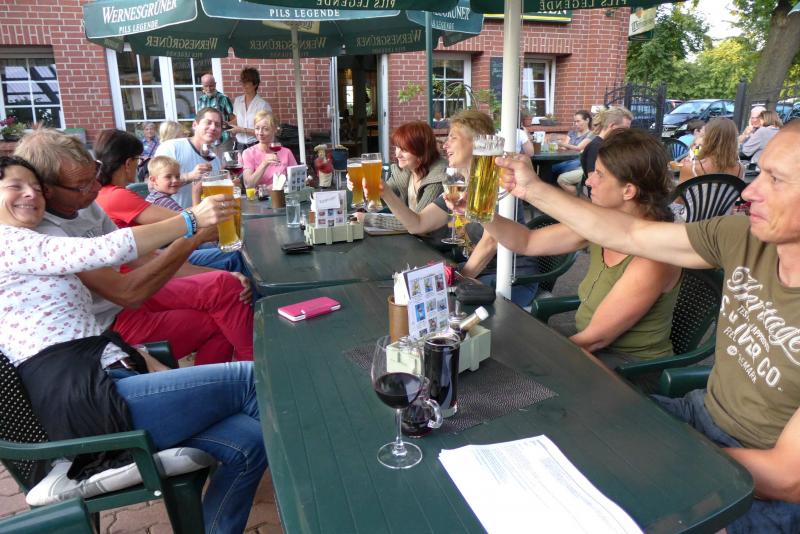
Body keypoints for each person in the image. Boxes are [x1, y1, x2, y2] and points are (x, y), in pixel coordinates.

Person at [495, 121, 800, 533]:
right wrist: (531, 188)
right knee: (565, 441)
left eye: (775, 179)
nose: (748, 191)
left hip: (759, 480)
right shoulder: (743, 237)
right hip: (700, 414)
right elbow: (631, 233)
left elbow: (786, 478)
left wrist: (662, 447)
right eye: (758, 172)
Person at [0, 155, 265, 534]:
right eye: (15, 186)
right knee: (255, 381)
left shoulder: (32, 241)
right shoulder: (8, 242)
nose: (30, 194)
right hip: (86, 401)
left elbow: (75, 327)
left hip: (101, 378)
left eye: (36, 187)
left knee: (249, 442)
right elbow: (105, 250)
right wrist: (190, 220)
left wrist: (134, 354)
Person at [15, 128, 253, 365]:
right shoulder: (46, 236)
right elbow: (128, 293)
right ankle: (245, 376)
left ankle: (251, 369)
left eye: (94, 174)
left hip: (132, 296)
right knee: (217, 323)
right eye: (82, 185)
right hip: (111, 324)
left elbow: (142, 258)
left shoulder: (86, 206)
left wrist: (219, 273)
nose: (96, 187)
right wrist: (193, 232)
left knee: (227, 285)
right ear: (44, 189)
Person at [482, 129, 681, 371]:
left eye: (599, 174)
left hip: (630, 368)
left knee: (506, 364)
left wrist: (527, 357)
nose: (588, 180)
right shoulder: (603, 225)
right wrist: (480, 212)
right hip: (588, 345)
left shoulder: (654, 256)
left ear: (628, 190)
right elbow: (526, 241)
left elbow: (595, 338)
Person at [362, 110, 540, 307]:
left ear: (477, 142)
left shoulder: (498, 180)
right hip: (480, 272)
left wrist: (454, 282)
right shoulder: (460, 182)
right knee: (410, 289)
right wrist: (385, 193)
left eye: (452, 138)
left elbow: (489, 243)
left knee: (438, 305)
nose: (445, 145)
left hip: (512, 279)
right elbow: (417, 224)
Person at [93, 130, 249, 275]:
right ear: (128, 164)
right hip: (143, 271)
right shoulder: (117, 196)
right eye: (138, 159)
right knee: (235, 258)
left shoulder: (104, 193)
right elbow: (188, 221)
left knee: (231, 256)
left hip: (147, 261)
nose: (139, 165)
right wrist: (205, 193)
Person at [351, 121, 447, 232]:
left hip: (430, 242)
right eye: (397, 147)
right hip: (412, 239)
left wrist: (368, 219)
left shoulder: (438, 176)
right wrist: (359, 188)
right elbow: (378, 200)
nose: (397, 154)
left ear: (422, 150)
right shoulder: (405, 171)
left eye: (404, 150)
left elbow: (416, 223)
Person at [154, 107, 222, 208]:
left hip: (202, 216)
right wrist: (189, 176)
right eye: (208, 122)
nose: (213, 127)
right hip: (172, 216)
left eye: (217, 125)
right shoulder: (171, 147)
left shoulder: (215, 159)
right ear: (195, 125)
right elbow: (153, 185)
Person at [557, 107, 632, 193]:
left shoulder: (607, 144)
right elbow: (593, 181)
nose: (627, 133)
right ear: (612, 126)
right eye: (624, 129)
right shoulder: (596, 147)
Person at [678, 118, 744, 185]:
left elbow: (680, 192)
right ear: (734, 140)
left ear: (707, 138)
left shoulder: (691, 168)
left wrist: (695, 150)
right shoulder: (740, 169)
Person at [242, 110, 297, 190]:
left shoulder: (286, 152)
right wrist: (264, 163)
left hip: (282, 196)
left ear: (275, 130)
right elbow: (248, 185)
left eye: (265, 129)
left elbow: (296, 180)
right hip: (259, 197)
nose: (260, 133)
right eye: (257, 128)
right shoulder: (248, 153)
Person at [230, 67, 271, 152]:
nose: (243, 85)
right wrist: (226, 125)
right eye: (242, 82)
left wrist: (241, 130)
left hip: (256, 146)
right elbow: (237, 120)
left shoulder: (263, 105)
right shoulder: (237, 101)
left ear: (255, 84)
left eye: (247, 82)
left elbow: (266, 131)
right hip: (239, 146)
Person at [552, 110, 594, 190]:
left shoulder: (591, 135)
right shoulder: (572, 133)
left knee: (550, 168)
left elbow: (579, 148)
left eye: (578, 121)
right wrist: (559, 146)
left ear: (587, 120)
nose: (576, 124)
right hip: (566, 161)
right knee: (548, 166)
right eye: (575, 122)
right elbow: (565, 148)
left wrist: (562, 144)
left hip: (579, 163)